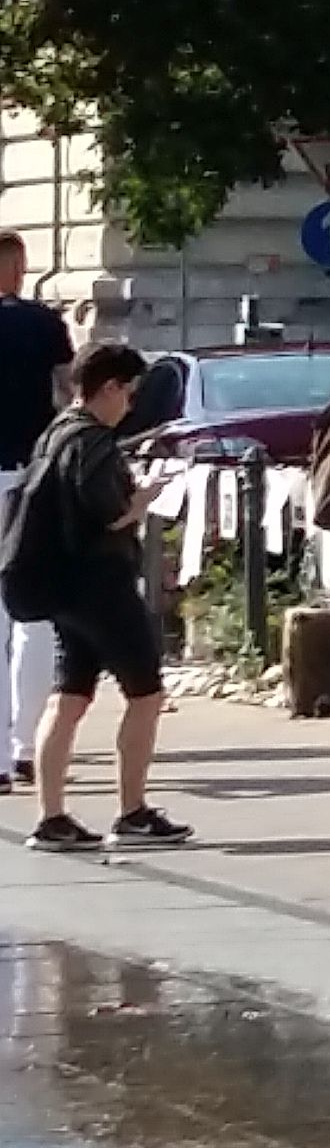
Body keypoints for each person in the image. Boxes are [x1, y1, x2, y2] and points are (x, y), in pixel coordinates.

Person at [11, 342, 188, 849]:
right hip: (100, 583)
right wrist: (144, 500)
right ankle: (132, 810)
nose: (130, 405)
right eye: (128, 394)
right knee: (146, 693)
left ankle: (52, 816)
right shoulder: (94, 441)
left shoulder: (56, 432)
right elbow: (108, 512)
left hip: (62, 584)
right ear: (108, 387)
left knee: (70, 695)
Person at [0, 232, 73, 796]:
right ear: (19, 268)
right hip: (29, 476)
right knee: (34, 616)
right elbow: (66, 396)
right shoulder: (44, 325)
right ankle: (27, 745)